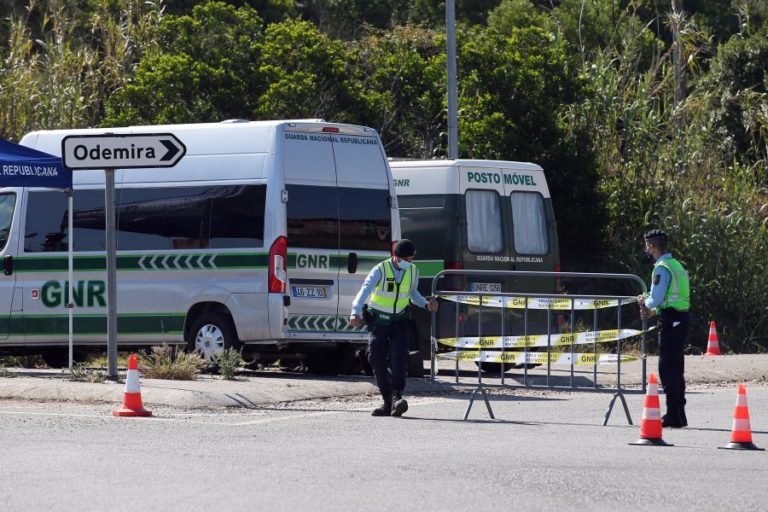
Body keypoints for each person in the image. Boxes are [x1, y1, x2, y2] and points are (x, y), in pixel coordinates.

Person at [350, 239, 438, 417]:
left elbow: (412, 293)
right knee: (376, 359)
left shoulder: (413, 271)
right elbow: (365, 290)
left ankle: (398, 397)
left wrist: (425, 304)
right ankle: (387, 402)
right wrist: (355, 312)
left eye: (412, 258)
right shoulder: (380, 270)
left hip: (399, 321)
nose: (411, 262)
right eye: (407, 259)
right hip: (378, 322)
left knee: (399, 360)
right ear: (396, 257)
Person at [637, 229, 691, 428]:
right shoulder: (676, 264)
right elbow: (671, 298)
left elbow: (657, 298)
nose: (646, 249)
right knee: (676, 369)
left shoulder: (661, 268)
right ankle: (678, 415)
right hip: (680, 318)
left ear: (652, 246)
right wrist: (654, 311)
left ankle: (673, 416)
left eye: (647, 245)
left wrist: (646, 302)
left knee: (667, 369)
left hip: (672, 321)